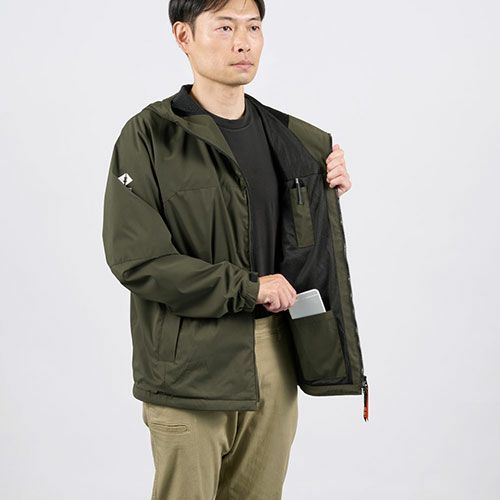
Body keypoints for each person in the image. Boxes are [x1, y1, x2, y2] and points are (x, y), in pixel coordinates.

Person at [102, 0, 366, 499]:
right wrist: (247, 288)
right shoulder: (150, 136)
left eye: (253, 27)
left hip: (275, 356)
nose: (243, 42)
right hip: (189, 366)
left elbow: (299, 247)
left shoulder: (293, 140)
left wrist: (322, 188)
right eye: (224, 27)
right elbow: (137, 259)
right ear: (183, 36)